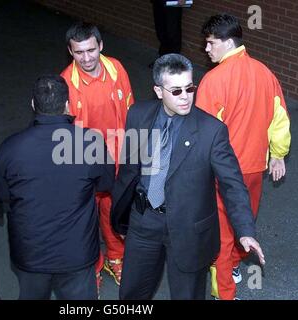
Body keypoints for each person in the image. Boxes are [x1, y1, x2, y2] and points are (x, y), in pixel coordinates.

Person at [111, 53, 265, 300]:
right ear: (159, 91)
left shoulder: (212, 131)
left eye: (189, 88)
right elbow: (129, 168)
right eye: (176, 91)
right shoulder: (138, 115)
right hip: (144, 220)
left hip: (188, 229)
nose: (185, 96)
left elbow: (232, 184)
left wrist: (245, 229)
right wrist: (122, 213)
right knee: (131, 294)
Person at [0, 75, 115, 300]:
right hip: (76, 253)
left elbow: (2, 194)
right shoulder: (89, 142)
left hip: (30, 254)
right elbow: (106, 184)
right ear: (67, 105)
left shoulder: (11, 147)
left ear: (33, 104)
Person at [196, 13, 291, 300]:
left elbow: (201, 134)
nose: (207, 49)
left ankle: (224, 293)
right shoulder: (266, 73)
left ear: (226, 43)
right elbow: (280, 119)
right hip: (254, 168)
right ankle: (235, 265)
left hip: (223, 173)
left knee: (222, 234)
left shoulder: (213, 81)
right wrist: (278, 155)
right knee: (244, 219)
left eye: (211, 43)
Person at [61, 22, 135, 289]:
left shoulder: (117, 69)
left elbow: (130, 112)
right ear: (70, 51)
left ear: (101, 46)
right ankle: (92, 264)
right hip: (86, 163)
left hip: (116, 159)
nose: (87, 58)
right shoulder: (65, 83)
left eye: (91, 50)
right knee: (85, 217)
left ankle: (116, 257)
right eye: (79, 52)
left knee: (113, 211)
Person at [150, 0, 190, 68]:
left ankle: (173, 64)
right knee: (160, 31)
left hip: (173, 2)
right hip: (159, 2)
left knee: (173, 32)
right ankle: (162, 60)